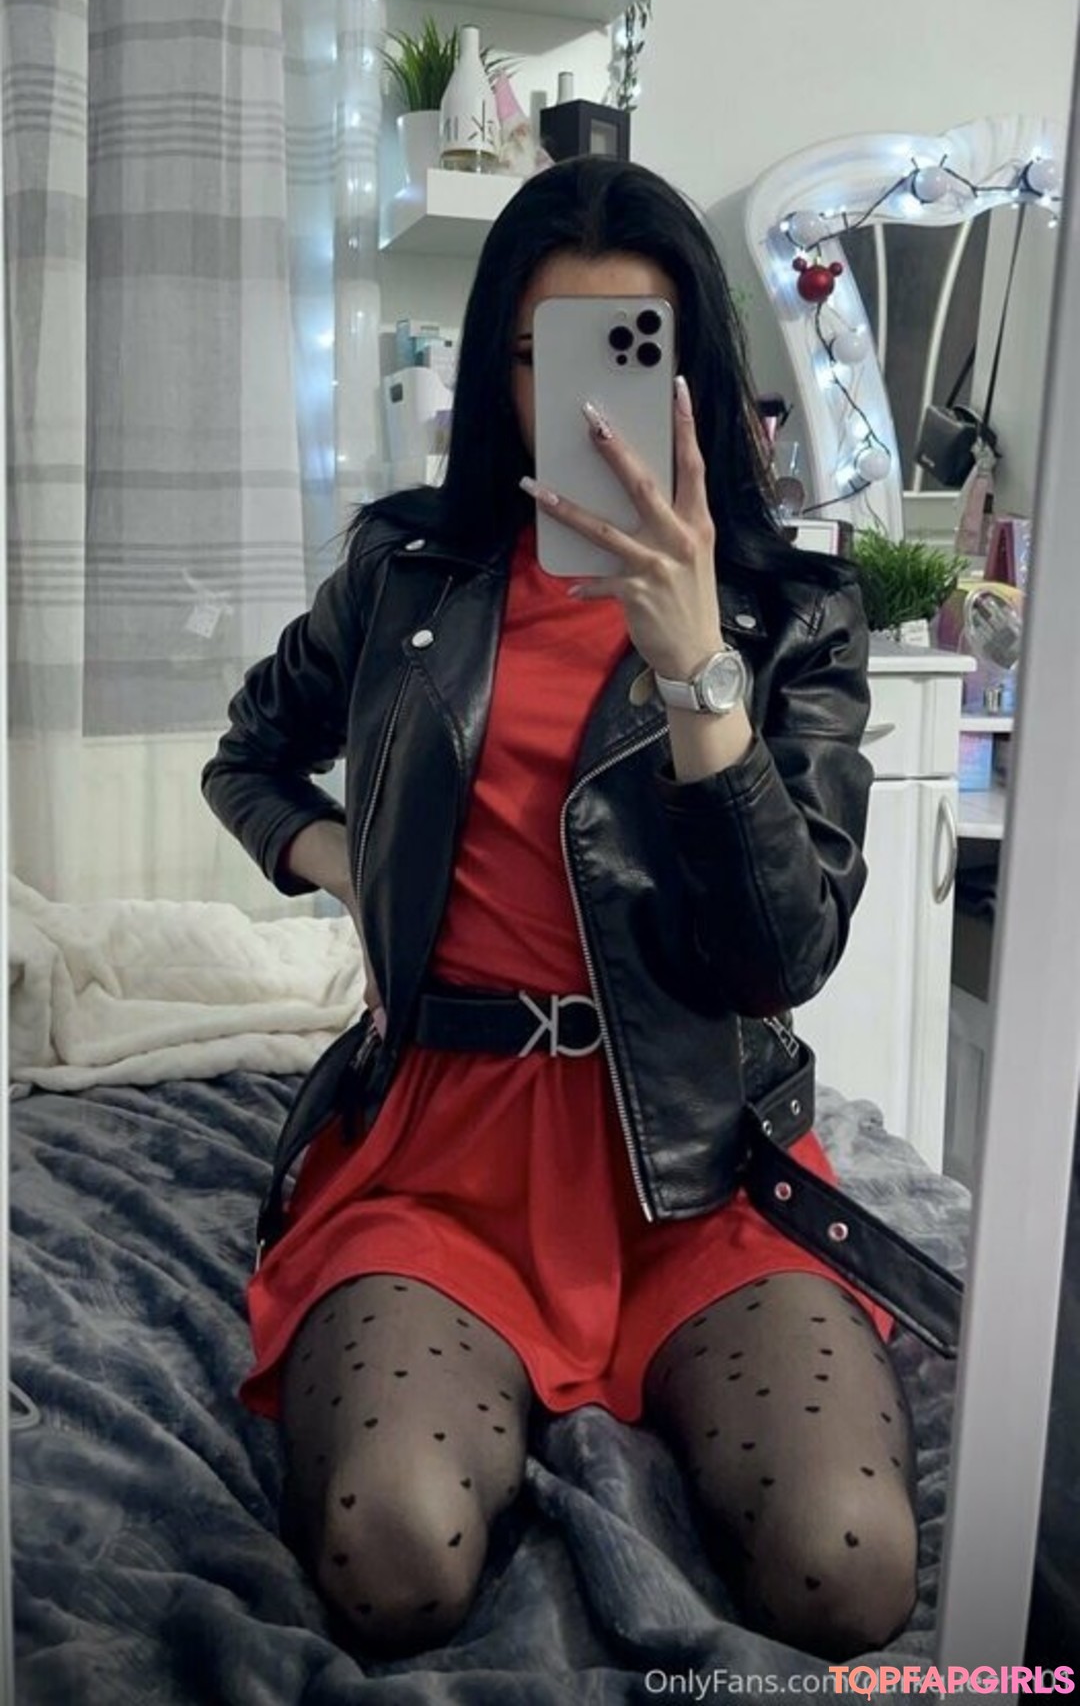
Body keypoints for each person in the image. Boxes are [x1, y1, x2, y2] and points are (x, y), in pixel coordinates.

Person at [203, 158, 919, 1663]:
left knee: (847, 1566)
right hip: (438, 1166)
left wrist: (696, 669)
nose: (591, 405)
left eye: (632, 352)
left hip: (698, 1164)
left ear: (693, 372)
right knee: (393, 1553)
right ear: (500, 370)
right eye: (550, 354)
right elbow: (248, 757)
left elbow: (783, 956)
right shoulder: (406, 575)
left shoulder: (795, 615)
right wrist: (348, 865)